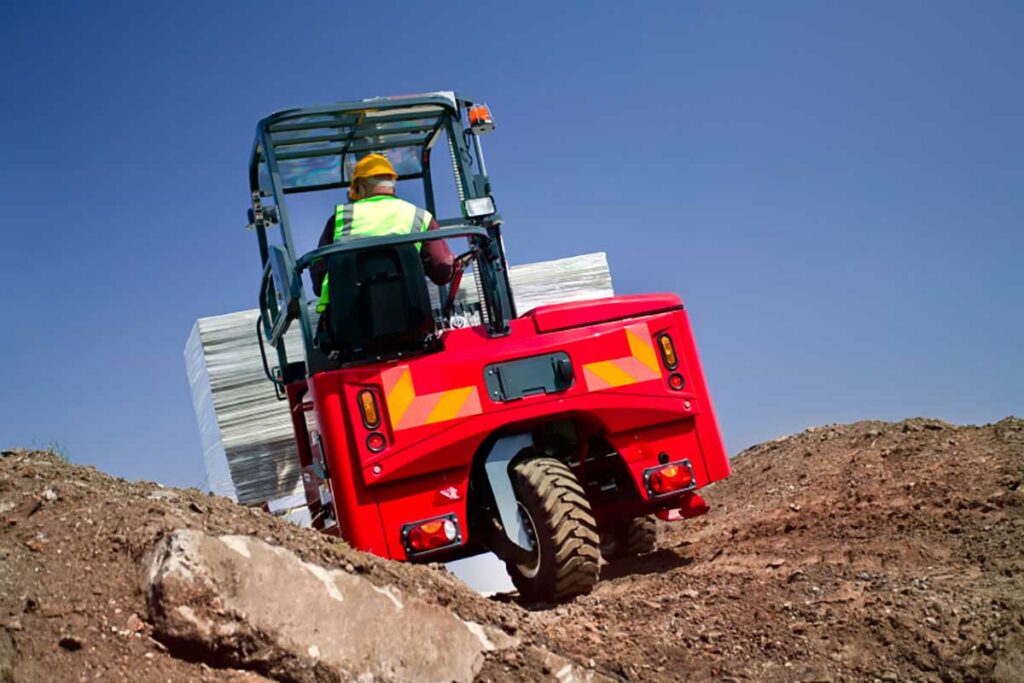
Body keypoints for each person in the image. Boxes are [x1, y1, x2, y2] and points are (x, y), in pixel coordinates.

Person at [311, 154, 455, 313]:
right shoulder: (420, 217)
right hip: (412, 316)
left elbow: (319, 277)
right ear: (392, 185)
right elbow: (442, 273)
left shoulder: (340, 219)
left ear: (360, 187)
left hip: (347, 323)